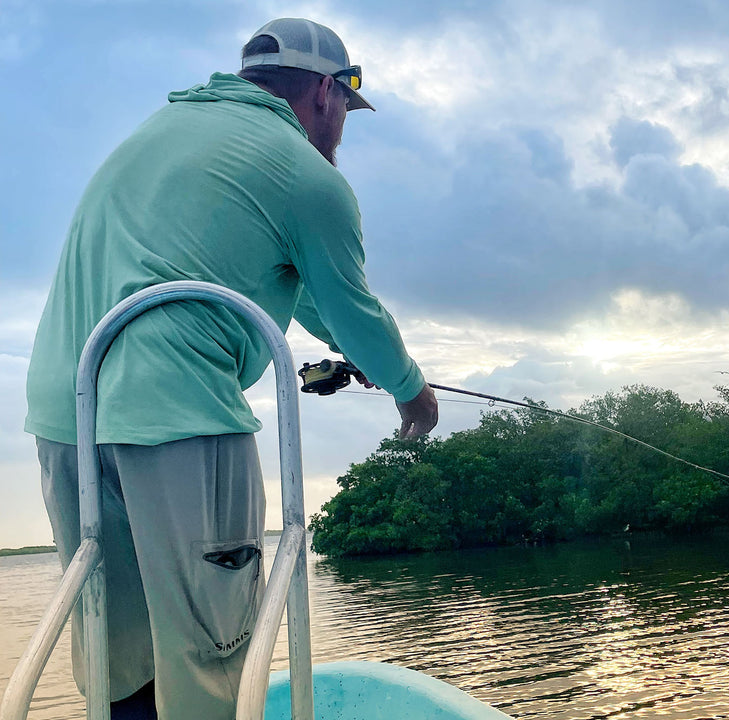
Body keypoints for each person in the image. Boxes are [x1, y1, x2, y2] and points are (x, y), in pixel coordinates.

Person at [23, 17, 438, 720]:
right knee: (212, 653)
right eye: (345, 110)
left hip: (66, 415)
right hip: (178, 417)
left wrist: (359, 351)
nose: (341, 127)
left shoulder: (161, 132)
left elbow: (303, 293)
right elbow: (352, 309)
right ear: (324, 94)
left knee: (113, 647)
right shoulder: (308, 177)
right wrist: (410, 389)